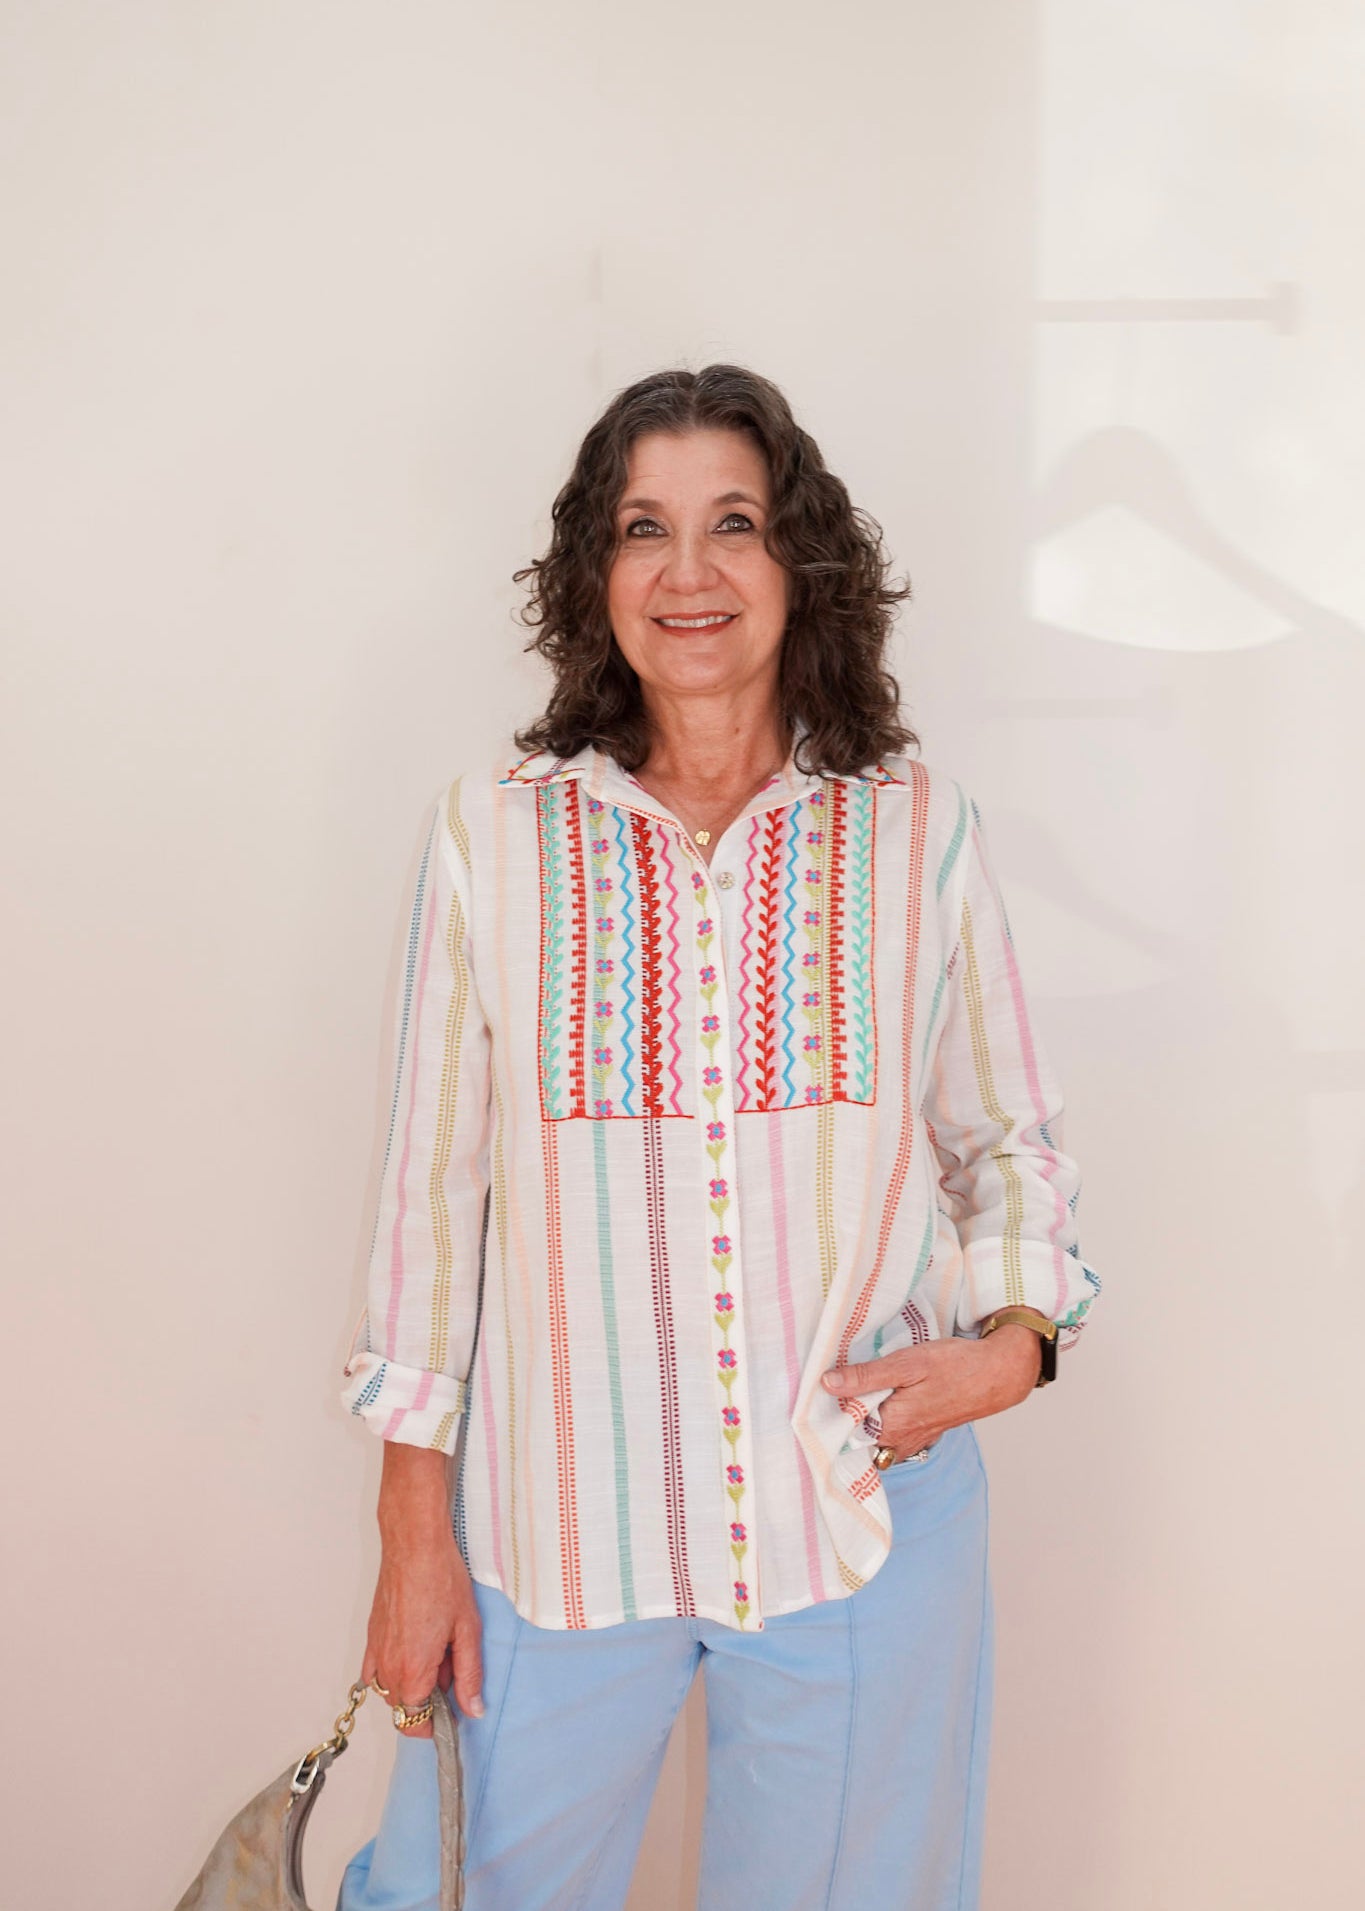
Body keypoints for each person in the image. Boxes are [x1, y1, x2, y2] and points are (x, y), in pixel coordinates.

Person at [336, 363, 1101, 1910]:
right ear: (592, 576)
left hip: (861, 1520)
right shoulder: (491, 836)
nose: (688, 571)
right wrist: (413, 1531)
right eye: (643, 528)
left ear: (795, 564)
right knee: (440, 1891)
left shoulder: (911, 829)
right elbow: (430, 1198)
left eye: (732, 523)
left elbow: (1005, 1133)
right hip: (551, 1541)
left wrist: (1014, 1345)